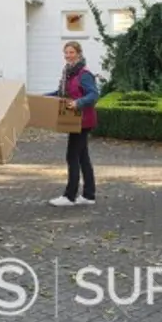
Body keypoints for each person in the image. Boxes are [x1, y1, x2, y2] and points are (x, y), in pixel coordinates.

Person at [47, 41, 99, 207]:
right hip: (75, 121)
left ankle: (69, 196)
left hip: (83, 121)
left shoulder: (84, 74)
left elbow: (93, 94)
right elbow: (61, 93)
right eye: (66, 53)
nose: (68, 55)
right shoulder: (68, 74)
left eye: (71, 52)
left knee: (72, 156)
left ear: (78, 53)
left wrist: (78, 103)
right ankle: (89, 195)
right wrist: (42, 98)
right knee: (83, 157)